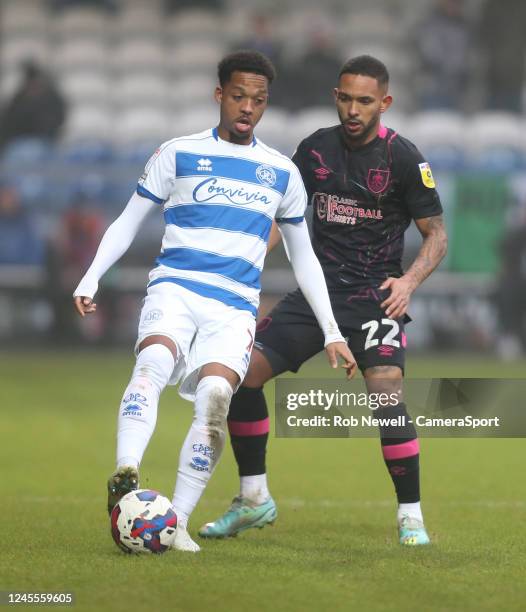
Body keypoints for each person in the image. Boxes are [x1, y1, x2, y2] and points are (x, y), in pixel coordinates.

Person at [73, 50, 356, 553]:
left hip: (234, 307)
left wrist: (331, 330)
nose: (248, 107)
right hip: (176, 287)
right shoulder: (177, 153)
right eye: (240, 96)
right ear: (220, 95)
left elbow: (304, 258)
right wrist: (91, 276)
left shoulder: (281, 173)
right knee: (153, 361)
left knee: (215, 403)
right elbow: (127, 219)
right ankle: (126, 471)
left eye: (259, 100)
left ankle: (173, 522)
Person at [200, 55, 448, 546]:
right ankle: (253, 499)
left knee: (386, 396)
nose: (352, 109)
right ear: (335, 96)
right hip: (317, 294)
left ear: (384, 102)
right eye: (345, 98)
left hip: (377, 296)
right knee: (241, 376)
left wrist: (409, 282)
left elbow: (436, 234)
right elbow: (279, 218)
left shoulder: (403, 158)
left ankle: (411, 517)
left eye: (364, 100)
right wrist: (242, 266)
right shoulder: (314, 150)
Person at [0, 60, 67, 151]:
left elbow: (57, 120)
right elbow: (9, 121)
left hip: (44, 141)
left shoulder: (52, 98)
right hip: (18, 141)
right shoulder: (19, 97)